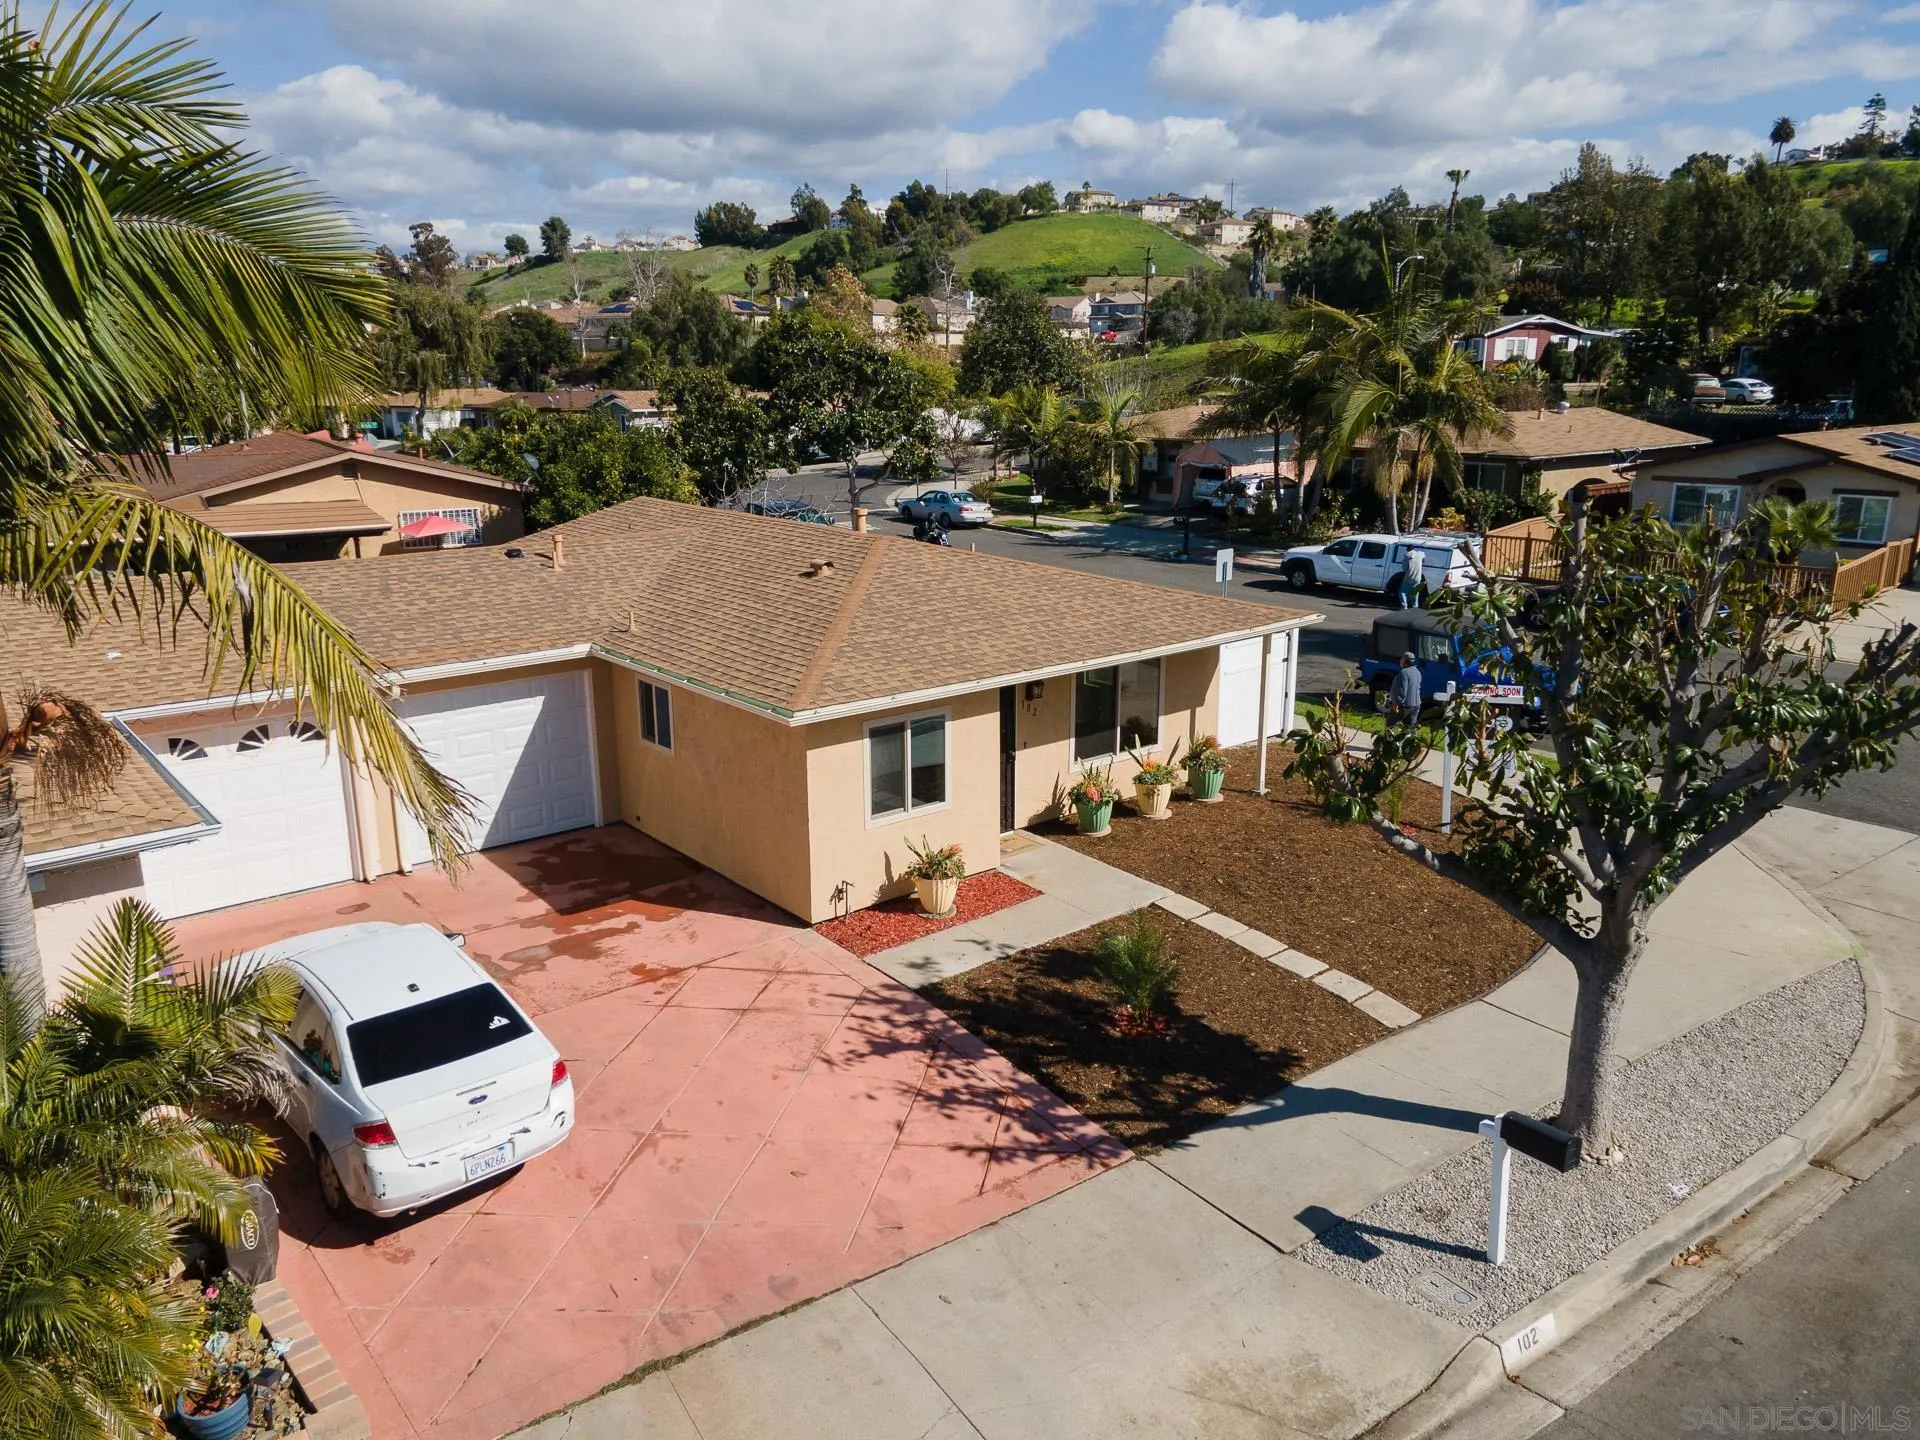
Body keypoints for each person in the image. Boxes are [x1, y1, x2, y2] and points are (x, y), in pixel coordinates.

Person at [1386, 651, 1423, 727]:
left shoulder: (1404, 673)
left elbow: (1401, 691)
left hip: (1403, 707)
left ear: (1405, 660)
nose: (1400, 660)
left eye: (1401, 659)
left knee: (1389, 727)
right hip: (1415, 706)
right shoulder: (1417, 672)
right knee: (1410, 731)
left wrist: (1397, 705)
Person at [1399, 546, 1425, 610]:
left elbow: (1404, 569)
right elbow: (1424, 556)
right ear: (1414, 549)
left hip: (1409, 577)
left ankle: (1404, 607)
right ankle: (1415, 607)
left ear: (1407, 549)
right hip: (1418, 577)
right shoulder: (1420, 554)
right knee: (1415, 592)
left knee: (1402, 592)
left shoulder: (1407, 556)